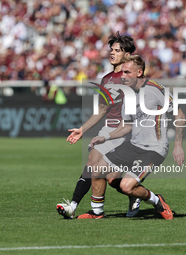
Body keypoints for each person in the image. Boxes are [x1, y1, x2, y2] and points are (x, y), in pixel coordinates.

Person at [77, 55, 185, 220]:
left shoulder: (156, 89)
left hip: (154, 149)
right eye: (122, 72)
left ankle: (157, 201)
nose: (123, 76)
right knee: (97, 170)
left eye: (127, 72)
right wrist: (105, 138)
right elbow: (126, 126)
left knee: (126, 187)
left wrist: (178, 145)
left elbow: (180, 114)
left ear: (139, 72)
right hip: (133, 145)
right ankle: (97, 213)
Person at [56, 31, 141, 219]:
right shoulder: (107, 78)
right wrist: (82, 129)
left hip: (125, 130)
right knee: (104, 174)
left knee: (103, 173)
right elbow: (101, 110)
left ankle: (86, 208)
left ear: (127, 54)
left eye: (117, 50)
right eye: (111, 49)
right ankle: (77, 206)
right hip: (108, 129)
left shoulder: (133, 77)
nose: (112, 53)